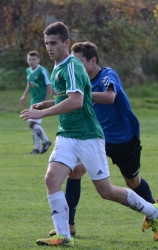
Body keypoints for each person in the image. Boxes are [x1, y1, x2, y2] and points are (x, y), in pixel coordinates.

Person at [20, 22, 158, 246]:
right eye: (46, 43)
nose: (49, 48)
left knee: (107, 191)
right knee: (52, 178)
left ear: (66, 43)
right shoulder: (57, 67)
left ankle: (154, 213)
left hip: (89, 136)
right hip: (67, 135)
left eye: (53, 43)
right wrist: (45, 104)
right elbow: (65, 96)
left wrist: (45, 113)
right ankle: (65, 234)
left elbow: (76, 101)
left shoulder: (73, 66)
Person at [49, 41, 157, 237]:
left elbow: (109, 97)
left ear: (93, 60)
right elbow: (72, 100)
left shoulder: (107, 75)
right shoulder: (79, 80)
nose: (76, 66)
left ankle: (153, 213)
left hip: (124, 138)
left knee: (132, 181)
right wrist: (48, 104)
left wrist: (83, 95)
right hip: (97, 136)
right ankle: (69, 225)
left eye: (80, 62)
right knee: (75, 172)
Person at [20, 51, 52, 154]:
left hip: (41, 101)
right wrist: (24, 95)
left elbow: (49, 85)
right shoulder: (28, 71)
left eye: (34, 59)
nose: (31, 61)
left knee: (31, 123)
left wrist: (47, 100)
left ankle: (46, 141)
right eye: (30, 59)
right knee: (33, 124)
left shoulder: (42, 71)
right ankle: (37, 149)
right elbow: (29, 84)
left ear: (38, 60)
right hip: (33, 101)